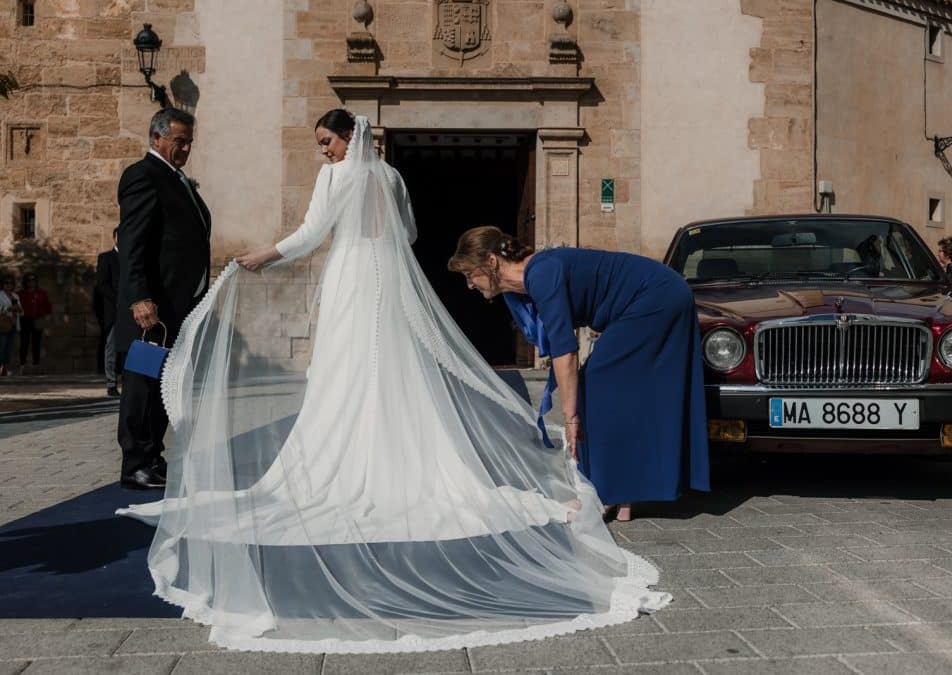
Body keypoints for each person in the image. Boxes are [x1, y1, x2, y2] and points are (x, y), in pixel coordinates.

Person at [116, 111, 670, 653]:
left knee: (345, 369)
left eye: (327, 142)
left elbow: (312, 234)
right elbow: (406, 231)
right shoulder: (390, 174)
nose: (324, 152)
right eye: (320, 145)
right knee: (389, 370)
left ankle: (350, 456)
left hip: (351, 280)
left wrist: (263, 256)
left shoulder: (338, 175)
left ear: (346, 138)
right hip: (385, 277)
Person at [448, 230, 710, 523]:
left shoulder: (542, 273)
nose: (469, 285)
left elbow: (565, 351)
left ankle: (603, 492)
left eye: (470, 274)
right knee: (608, 388)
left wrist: (570, 418)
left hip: (657, 297)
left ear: (492, 262)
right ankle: (619, 493)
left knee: (595, 382)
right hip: (646, 300)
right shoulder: (524, 285)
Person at [115, 107, 211, 490]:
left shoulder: (177, 178)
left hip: (174, 308)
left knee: (162, 384)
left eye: (189, 141)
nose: (186, 148)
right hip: (150, 314)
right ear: (156, 138)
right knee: (141, 383)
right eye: (179, 141)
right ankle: (135, 463)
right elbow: (132, 243)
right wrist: (140, 298)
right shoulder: (144, 176)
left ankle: (153, 457)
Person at [95, 228, 120, 396]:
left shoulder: (133, 257)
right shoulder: (106, 258)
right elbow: (101, 285)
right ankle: (111, 383)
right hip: (115, 310)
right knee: (111, 347)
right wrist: (118, 300)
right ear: (114, 237)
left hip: (132, 310)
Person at [17, 273, 51, 372]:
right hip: (25, 320)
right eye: (29, 280)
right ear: (25, 282)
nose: (31, 282)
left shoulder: (41, 293)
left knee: (36, 343)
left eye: (33, 280)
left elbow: (48, 305)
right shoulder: (21, 294)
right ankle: (22, 365)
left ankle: (36, 365)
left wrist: (46, 315)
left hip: (38, 319)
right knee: (24, 342)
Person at [0, 276, 22, 376]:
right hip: (3, 324)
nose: (8, 285)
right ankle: (1, 367)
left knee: (9, 347)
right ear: (3, 285)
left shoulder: (15, 296)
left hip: (13, 324)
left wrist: (19, 309)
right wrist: (9, 308)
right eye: (6, 283)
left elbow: (22, 311)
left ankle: (6, 367)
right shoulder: (0, 295)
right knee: (2, 346)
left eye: (11, 283)